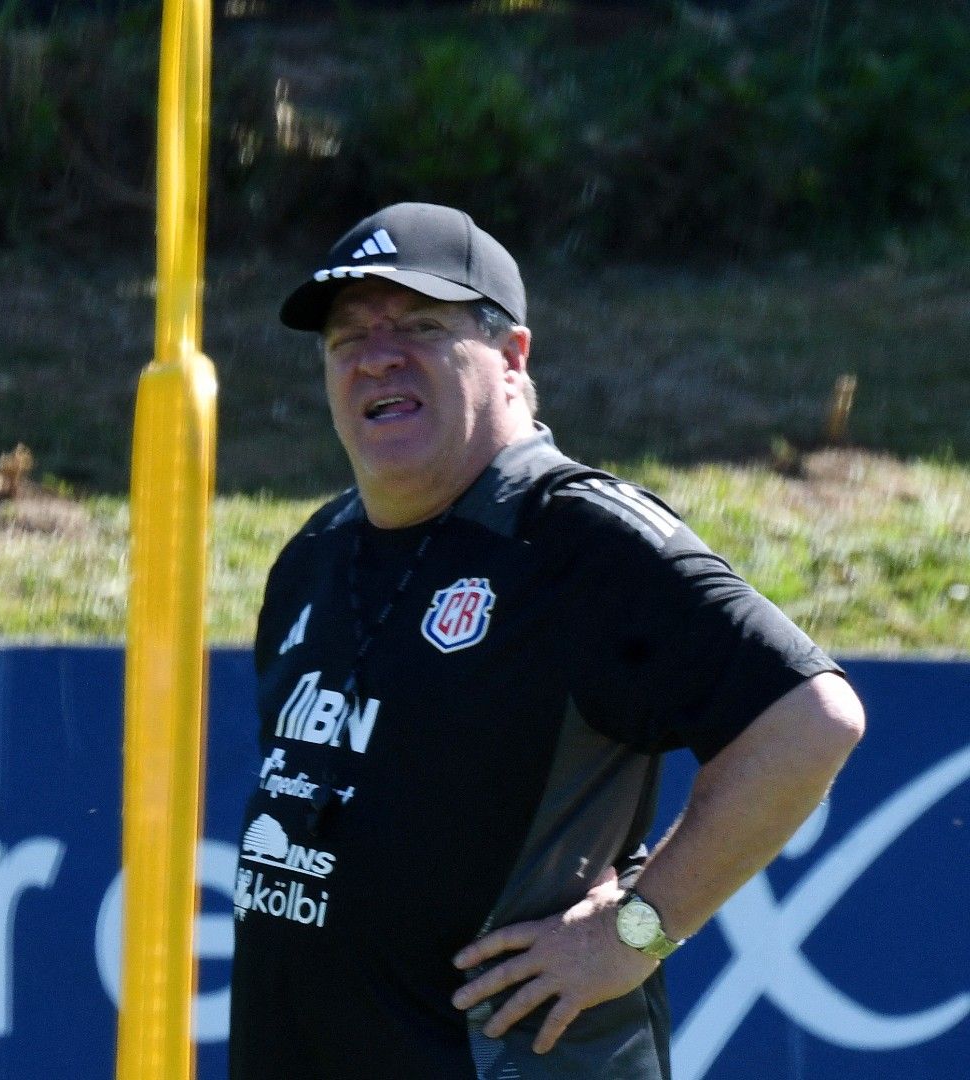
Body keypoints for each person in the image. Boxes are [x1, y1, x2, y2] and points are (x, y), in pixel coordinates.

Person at [227, 202, 865, 1079]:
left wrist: (636, 929)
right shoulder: (316, 553)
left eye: (419, 325)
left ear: (513, 357)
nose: (377, 354)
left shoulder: (576, 541)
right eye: (347, 338)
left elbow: (809, 719)